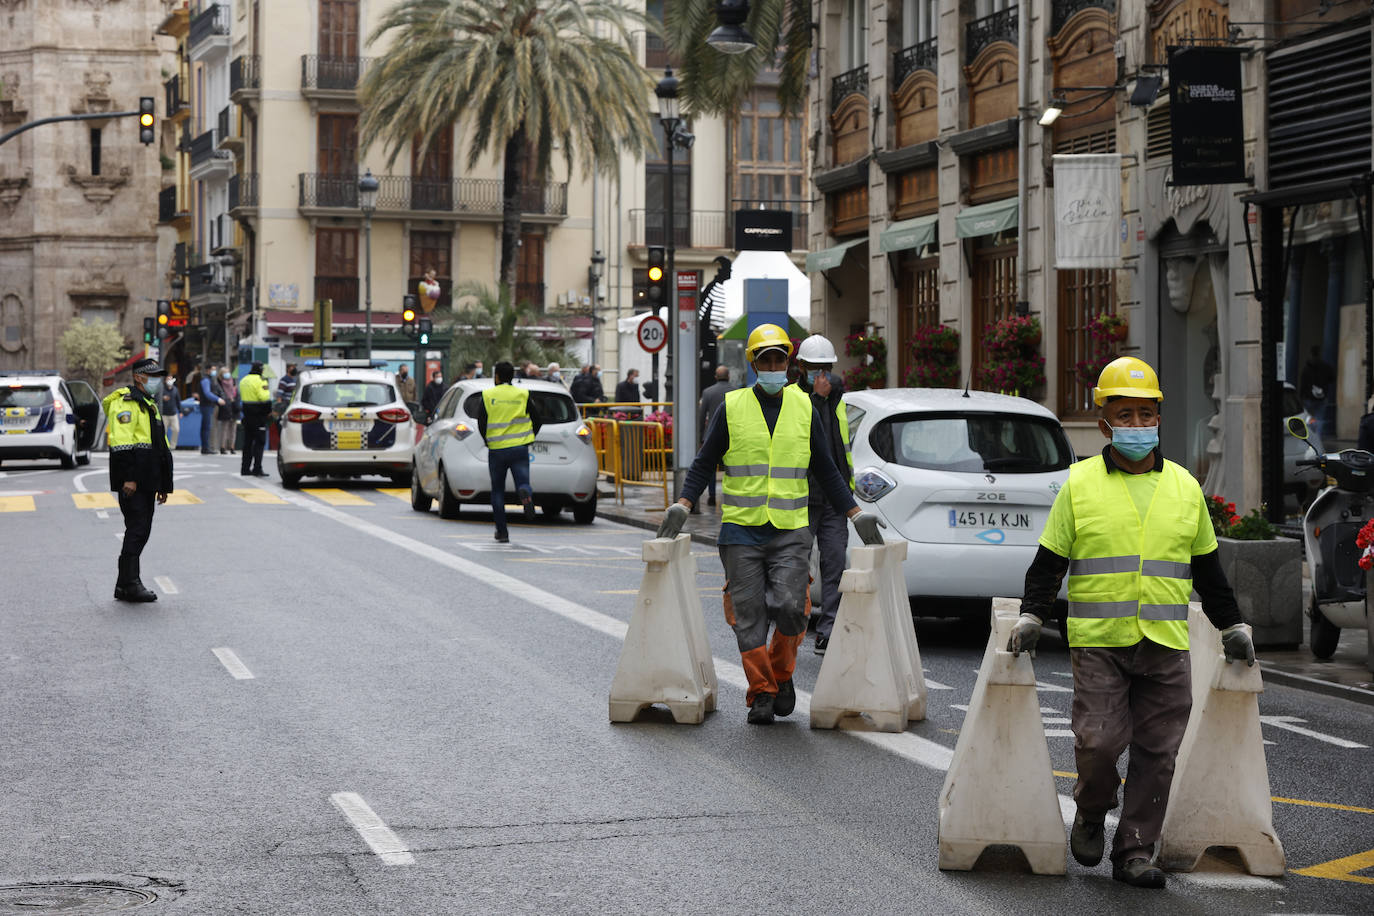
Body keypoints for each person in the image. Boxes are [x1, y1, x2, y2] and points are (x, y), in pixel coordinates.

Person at [1008, 356, 1255, 889]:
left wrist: (1232, 626)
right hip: (1099, 644)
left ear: (1158, 418)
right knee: (1097, 744)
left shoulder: (1186, 488)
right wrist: (1032, 614)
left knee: (1158, 755)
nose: (1138, 425)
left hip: (1165, 644)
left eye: (1147, 414)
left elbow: (1208, 571)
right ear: (1105, 425)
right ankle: (1093, 810)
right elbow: (1049, 563)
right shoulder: (1079, 485)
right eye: (1126, 415)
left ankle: (1135, 851)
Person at [656, 324, 886, 725]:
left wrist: (854, 512)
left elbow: (825, 468)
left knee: (791, 608)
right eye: (767, 359)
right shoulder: (732, 406)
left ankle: (781, 675)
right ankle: (762, 691)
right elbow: (705, 461)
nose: (775, 365)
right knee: (747, 617)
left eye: (781, 359)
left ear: (788, 364)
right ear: (754, 364)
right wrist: (683, 503)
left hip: (791, 529)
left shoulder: (804, 408)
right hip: (741, 531)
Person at [795, 335, 851, 655]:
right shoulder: (792, 397)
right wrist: (816, 399)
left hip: (834, 495)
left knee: (834, 564)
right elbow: (805, 434)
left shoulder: (839, 397)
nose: (822, 376)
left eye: (826, 368)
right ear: (801, 368)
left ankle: (827, 629)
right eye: (814, 368)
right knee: (797, 564)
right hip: (802, 494)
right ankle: (796, 624)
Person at [102, 358, 173, 602]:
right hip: (133, 482)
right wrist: (129, 479)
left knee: (141, 530)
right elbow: (122, 446)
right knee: (137, 530)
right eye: (151, 375)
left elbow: (159, 448)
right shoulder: (126, 403)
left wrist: (163, 484)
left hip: (148, 480)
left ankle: (125, 585)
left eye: (158, 376)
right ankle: (130, 584)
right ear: (138, 377)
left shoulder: (149, 405)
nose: (157, 380)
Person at [473, 361, 541, 543]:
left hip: (497, 451)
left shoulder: (488, 395)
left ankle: (502, 532)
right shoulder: (522, 393)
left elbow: (482, 423)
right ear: (512, 376)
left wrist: (487, 440)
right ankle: (525, 493)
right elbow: (537, 419)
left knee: (497, 491)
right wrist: (529, 437)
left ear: (496, 376)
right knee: (523, 481)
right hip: (519, 448)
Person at [697, 365, 735, 510]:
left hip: (711, 434)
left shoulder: (707, 392)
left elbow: (702, 416)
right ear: (729, 376)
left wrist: (700, 435)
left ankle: (712, 495)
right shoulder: (736, 391)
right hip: (733, 434)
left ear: (715, 376)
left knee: (711, 467)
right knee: (731, 466)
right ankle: (729, 495)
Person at [238, 362, 271, 477]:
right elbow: (264, 398)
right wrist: (268, 411)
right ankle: (257, 468)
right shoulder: (261, 380)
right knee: (259, 443)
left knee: (247, 443)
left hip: (247, 415)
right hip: (259, 416)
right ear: (261, 370)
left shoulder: (244, 380)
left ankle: (245, 469)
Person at [1299, 345, 1335, 435]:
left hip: (1308, 397)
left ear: (1311, 354)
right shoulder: (1325, 367)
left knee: (1308, 418)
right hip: (1321, 397)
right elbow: (1332, 379)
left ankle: (1309, 436)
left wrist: (1301, 397)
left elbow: (1303, 384)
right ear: (1319, 354)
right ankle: (1317, 437)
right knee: (1319, 418)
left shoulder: (1306, 368)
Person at [198, 364, 226, 454]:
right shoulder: (206, 380)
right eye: (213, 369)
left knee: (206, 427)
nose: (215, 371)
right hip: (206, 406)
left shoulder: (210, 380)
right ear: (208, 370)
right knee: (206, 427)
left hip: (208, 405)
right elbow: (207, 393)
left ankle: (206, 447)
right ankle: (205, 448)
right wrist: (218, 399)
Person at [158, 374, 185, 449]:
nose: (169, 381)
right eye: (168, 379)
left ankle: (173, 446)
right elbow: (157, 399)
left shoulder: (175, 389)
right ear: (165, 380)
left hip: (173, 414)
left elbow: (178, 401)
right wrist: (162, 398)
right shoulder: (161, 389)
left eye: (171, 379)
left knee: (176, 429)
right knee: (164, 431)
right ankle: (163, 445)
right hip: (164, 414)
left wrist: (181, 411)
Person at [217, 367, 239, 455]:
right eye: (225, 373)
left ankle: (232, 447)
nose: (227, 374)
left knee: (233, 429)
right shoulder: (220, 383)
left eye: (228, 372)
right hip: (225, 405)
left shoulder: (232, 381)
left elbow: (236, 392)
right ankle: (222, 446)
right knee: (225, 428)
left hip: (234, 406)